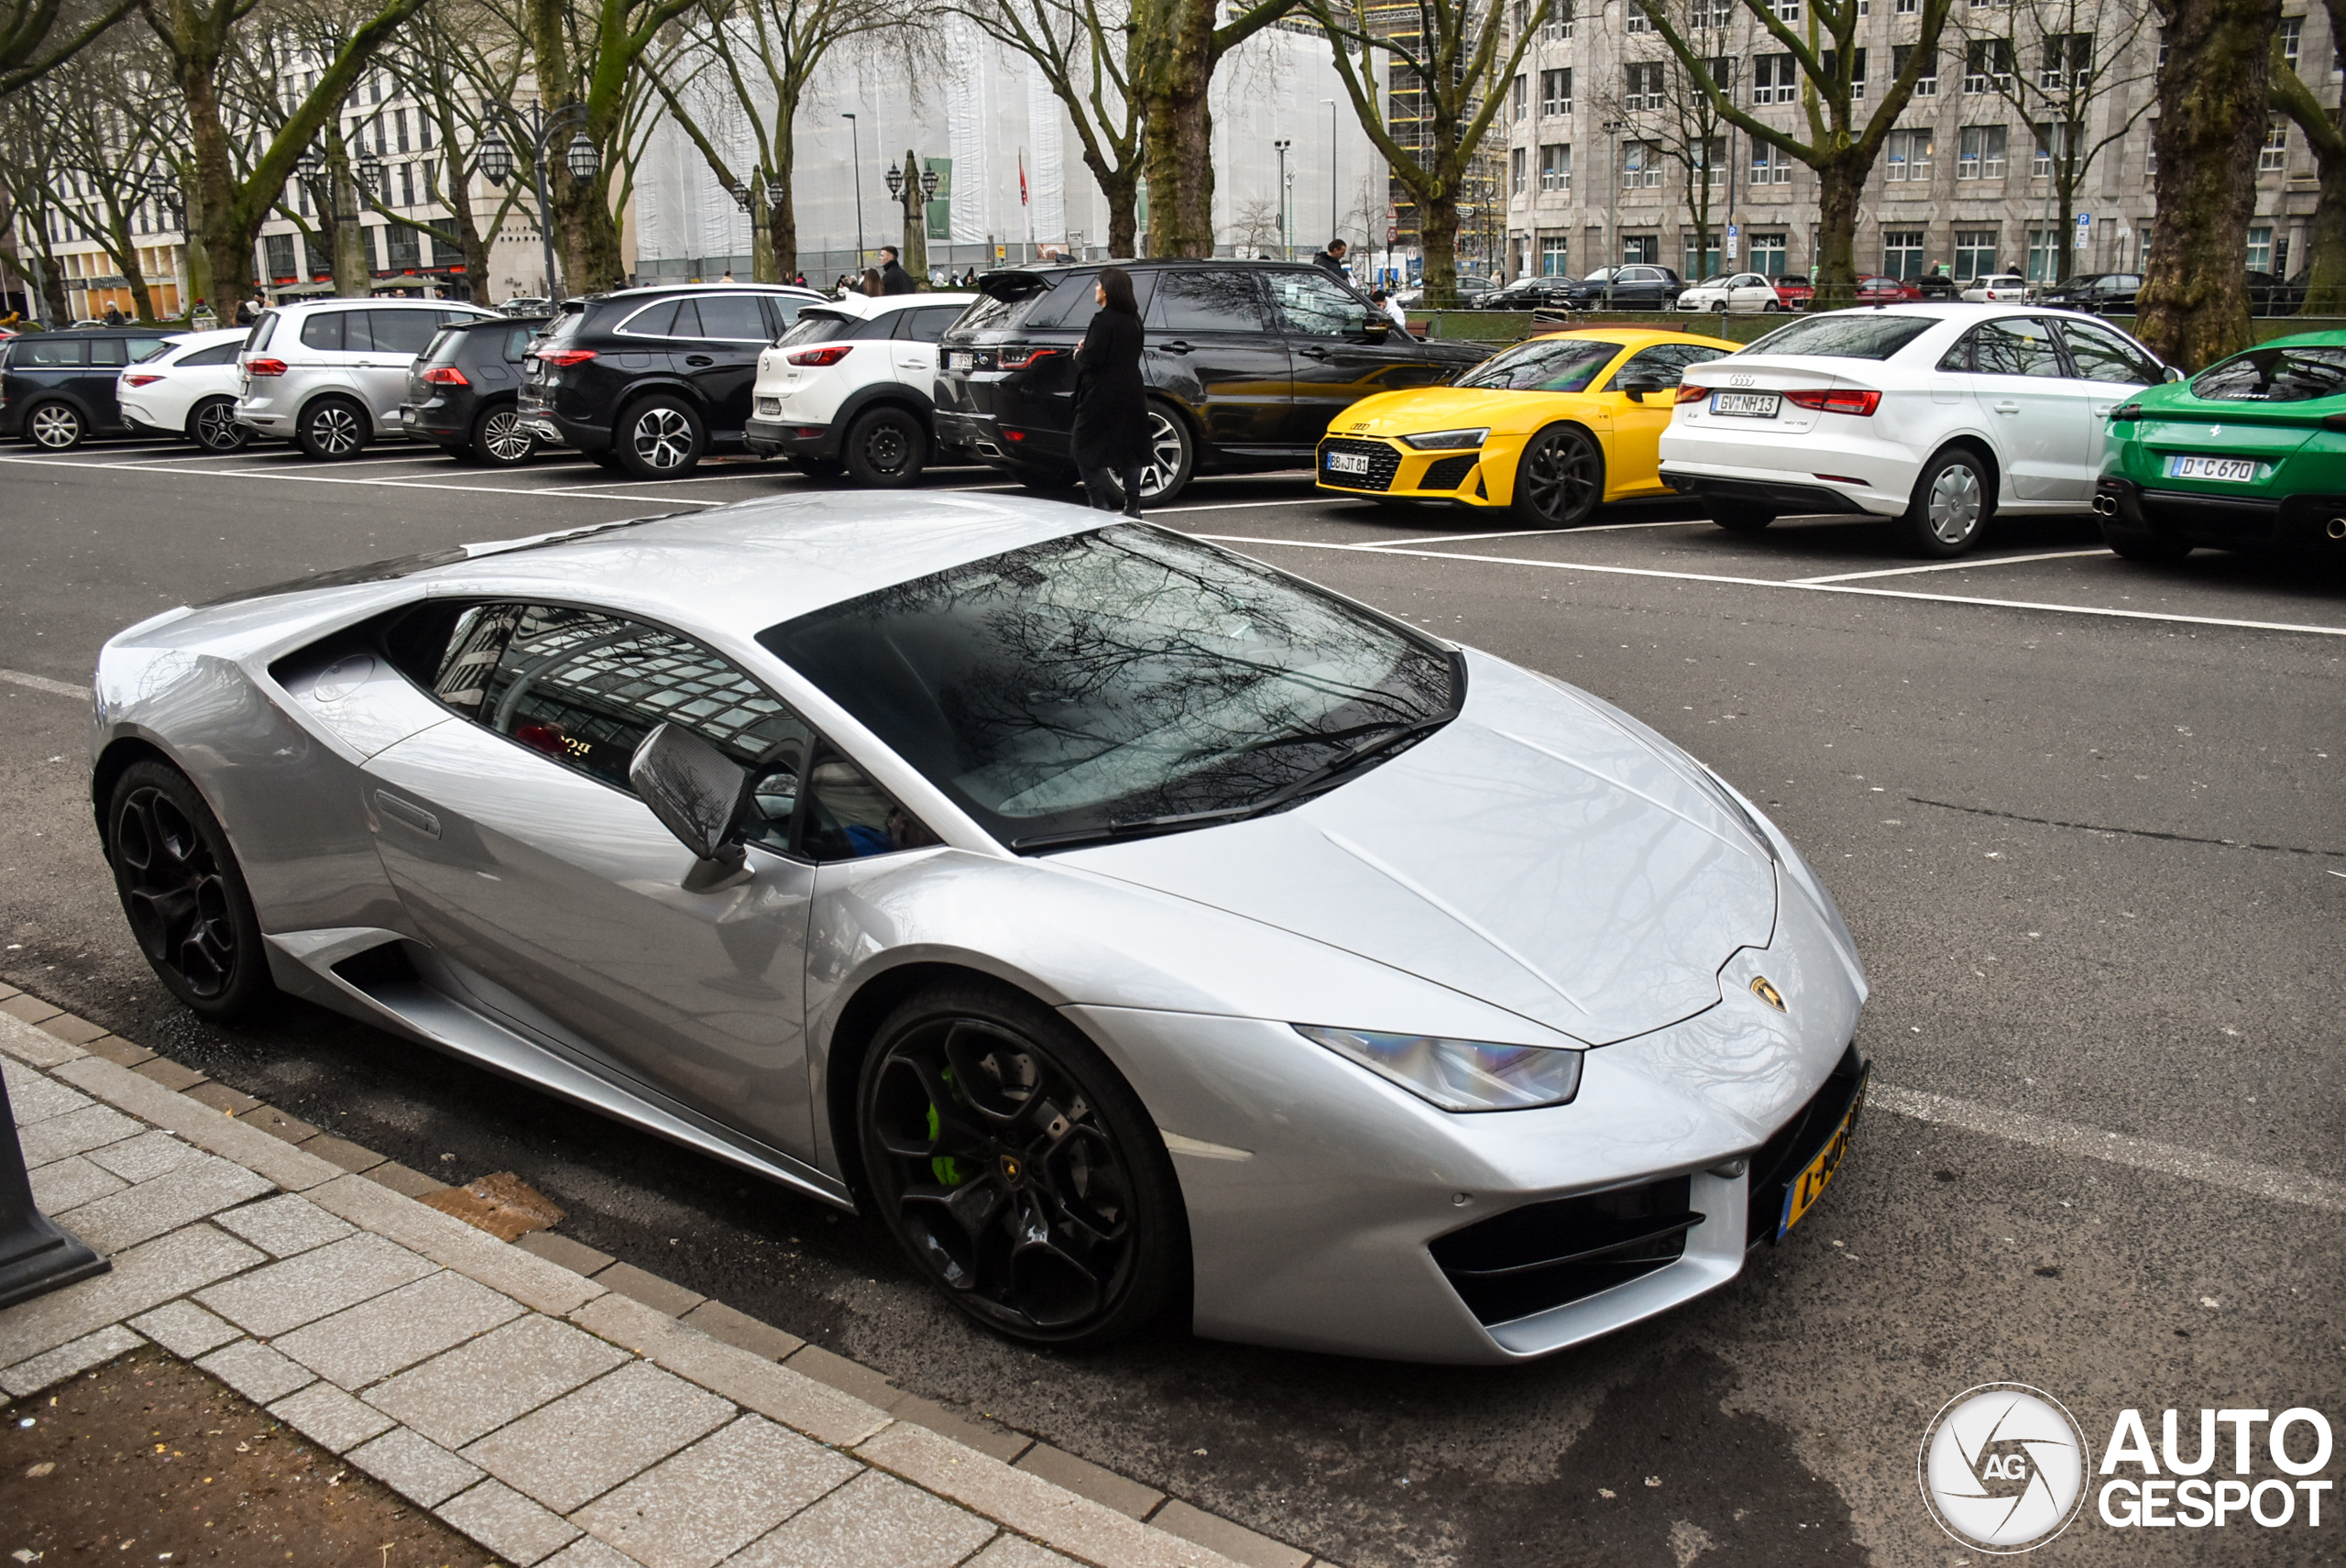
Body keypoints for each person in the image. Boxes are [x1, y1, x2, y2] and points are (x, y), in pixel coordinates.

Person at [1070, 266, 1149, 521]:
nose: (1096, 288)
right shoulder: (1134, 319)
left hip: (1101, 394)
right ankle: (1133, 505)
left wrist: (1079, 353)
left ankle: (1098, 502)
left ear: (1108, 290)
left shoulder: (1102, 320)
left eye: (1099, 284)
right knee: (1129, 449)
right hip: (1131, 390)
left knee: (1083, 447)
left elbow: (1092, 360)